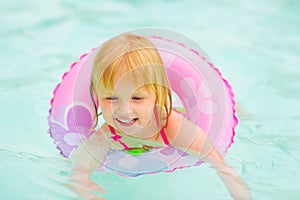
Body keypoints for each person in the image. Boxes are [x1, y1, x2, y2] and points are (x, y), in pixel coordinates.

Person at [67, 33, 251, 200]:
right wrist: (86, 190)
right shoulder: (108, 134)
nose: (124, 110)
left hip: (180, 118)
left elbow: (220, 165)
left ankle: (237, 107)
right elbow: (78, 173)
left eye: (137, 98)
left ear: (157, 95)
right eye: (111, 98)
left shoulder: (173, 127)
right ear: (97, 96)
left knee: (238, 113)